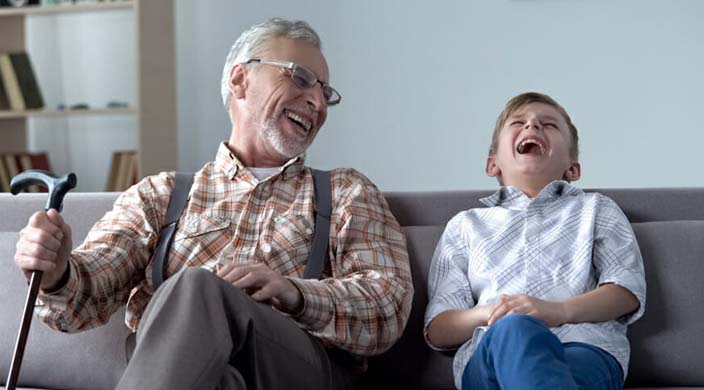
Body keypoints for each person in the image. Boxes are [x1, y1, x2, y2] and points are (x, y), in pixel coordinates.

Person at [14, 18, 413, 390]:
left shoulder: (346, 192)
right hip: (186, 372)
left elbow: (387, 306)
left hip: (291, 368)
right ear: (241, 80)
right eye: (302, 78)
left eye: (325, 93)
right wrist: (56, 271)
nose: (318, 103)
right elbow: (82, 299)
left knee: (199, 285)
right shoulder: (162, 194)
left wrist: (294, 292)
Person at [424, 92, 646, 389]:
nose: (532, 127)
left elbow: (626, 290)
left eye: (549, 125)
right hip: (493, 354)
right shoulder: (465, 226)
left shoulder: (597, 209)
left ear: (572, 168)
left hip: (584, 349)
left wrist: (557, 311)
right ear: (492, 164)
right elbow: (439, 328)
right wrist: (501, 313)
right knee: (514, 328)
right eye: (519, 122)